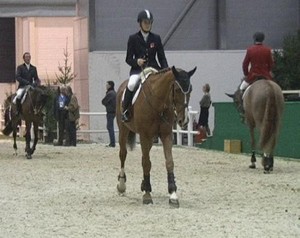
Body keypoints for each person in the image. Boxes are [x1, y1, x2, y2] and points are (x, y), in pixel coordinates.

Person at [122, 9, 169, 122]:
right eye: (145, 22)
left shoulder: (156, 38)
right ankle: (126, 110)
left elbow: (162, 57)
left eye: (150, 23)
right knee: (132, 84)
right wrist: (137, 61)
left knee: (166, 85)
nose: (148, 25)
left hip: (153, 69)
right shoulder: (133, 38)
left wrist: (166, 70)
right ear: (140, 23)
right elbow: (128, 59)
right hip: (138, 70)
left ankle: (167, 112)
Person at [102, 81, 117, 147]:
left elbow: (103, 101)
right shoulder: (114, 93)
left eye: (107, 85)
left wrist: (107, 105)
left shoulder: (110, 93)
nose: (106, 86)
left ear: (110, 85)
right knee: (110, 127)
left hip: (110, 112)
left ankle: (112, 143)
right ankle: (112, 142)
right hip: (113, 111)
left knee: (110, 127)